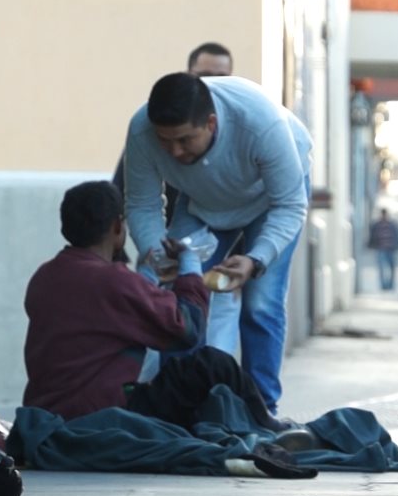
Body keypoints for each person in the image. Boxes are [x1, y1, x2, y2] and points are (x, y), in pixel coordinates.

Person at [21, 181, 291, 434]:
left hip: (46, 413)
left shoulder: (43, 277)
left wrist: (151, 280)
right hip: (103, 413)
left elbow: (104, 314)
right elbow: (188, 329)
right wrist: (190, 266)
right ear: (118, 227)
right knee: (213, 364)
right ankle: (266, 424)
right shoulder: (114, 280)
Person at [123, 73, 312, 413]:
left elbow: (289, 205)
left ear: (210, 123)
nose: (175, 151)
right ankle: (179, 406)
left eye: (184, 140)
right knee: (177, 297)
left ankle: (261, 409)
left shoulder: (261, 122)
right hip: (203, 202)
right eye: (165, 142)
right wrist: (158, 254)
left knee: (261, 303)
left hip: (270, 200)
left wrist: (255, 259)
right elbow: (142, 205)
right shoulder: (141, 130)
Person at [111, 42, 234, 220]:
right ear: (189, 76)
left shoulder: (242, 135)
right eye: (204, 76)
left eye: (222, 78)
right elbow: (125, 197)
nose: (212, 84)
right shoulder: (150, 130)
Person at [368, 208, 398, 291]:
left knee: (392, 268)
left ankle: (390, 285)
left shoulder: (392, 225)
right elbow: (372, 236)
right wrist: (371, 245)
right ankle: (383, 285)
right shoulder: (377, 225)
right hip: (381, 249)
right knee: (382, 268)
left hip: (391, 249)